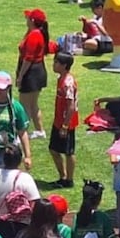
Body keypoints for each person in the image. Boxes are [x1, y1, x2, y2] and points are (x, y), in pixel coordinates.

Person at [0, 144, 41, 238]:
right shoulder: (25, 178)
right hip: (19, 228)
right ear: (19, 160)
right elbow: (34, 205)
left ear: (4, 159)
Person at [16, 8, 50, 140]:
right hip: (37, 71)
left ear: (33, 21)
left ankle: (21, 133)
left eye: (28, 18)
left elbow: (28, 59)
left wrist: (20, 76)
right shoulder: (35, 33)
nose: (26, 19)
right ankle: (39, 131)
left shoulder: (34, 36)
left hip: (31, 73)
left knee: (24, 105)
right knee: (33, 104)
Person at [48, 52, 78, 189]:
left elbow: (71, 105)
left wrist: (65, 125)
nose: (53, 64)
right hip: (58, 121)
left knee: (68, 151)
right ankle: (63, 176)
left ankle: (69, 180)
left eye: (56, 62)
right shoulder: (61, 79)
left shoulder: (68, 83)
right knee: (54, 149)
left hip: (66, 123)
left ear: (64, 65)